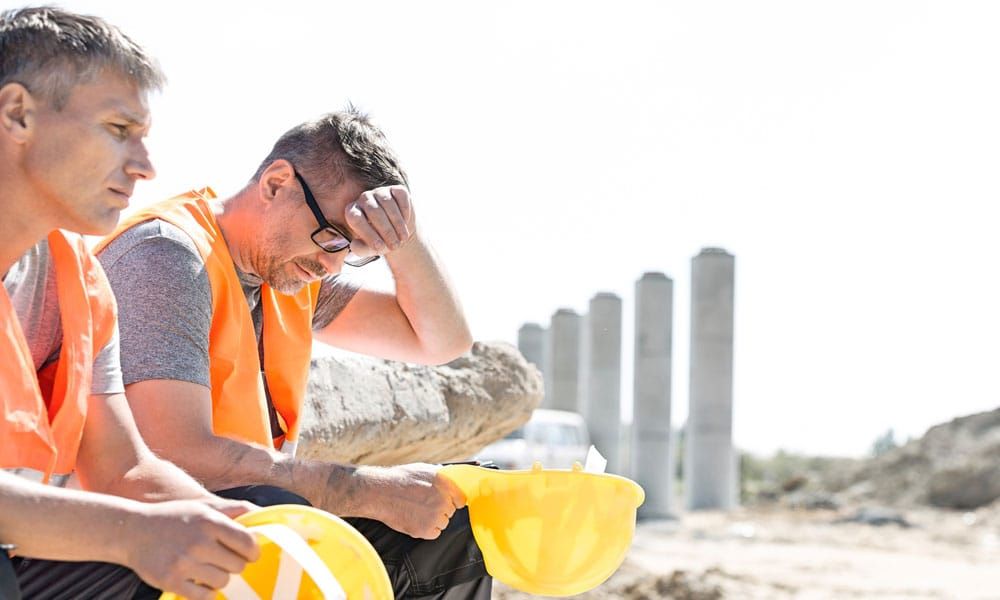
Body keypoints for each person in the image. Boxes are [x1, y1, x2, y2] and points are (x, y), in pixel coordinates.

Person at [97, 109, 489, 597]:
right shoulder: (165, 256)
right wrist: (361, 489)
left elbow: (443, 342)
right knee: (274, 509)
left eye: (355, 249)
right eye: (332, 236)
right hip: (130, 542)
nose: (332, 264)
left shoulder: (290, 275)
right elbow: (173, 455)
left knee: (450, 515)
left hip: (244, 520)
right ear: (277, 183)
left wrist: (403, 243)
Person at [0, 8, 262, 599]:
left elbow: (124, 471)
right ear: (18, 113)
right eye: (120, 130)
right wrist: (132, 537)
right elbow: (128, 526)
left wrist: (259, 538)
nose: (146, 167)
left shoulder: (81, 284)